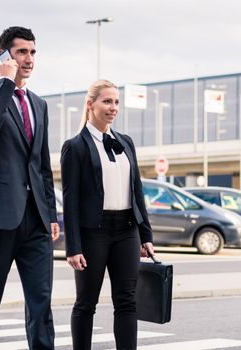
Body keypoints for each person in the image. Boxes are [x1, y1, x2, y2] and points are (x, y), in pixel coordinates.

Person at [0, 26, 59, 350]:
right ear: (5, 56)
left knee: (41, 305)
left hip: (35, 221)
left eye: (33, 52)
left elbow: (42, 165)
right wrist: (5, 83)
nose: (29, 59)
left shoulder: (39, 104)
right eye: (22, 52)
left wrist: (52, 214)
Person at [60, 79, 154, 350]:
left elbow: (137, 192)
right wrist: (73, 247)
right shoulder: (75, 146)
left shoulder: (126, 142)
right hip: (94, 233)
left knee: (127, 301)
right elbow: (71, 201)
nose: (113, 108)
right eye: (107, 101)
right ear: (90, 105)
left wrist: (145, 235)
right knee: (86, 303)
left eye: (116, 102)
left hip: (127, 230)